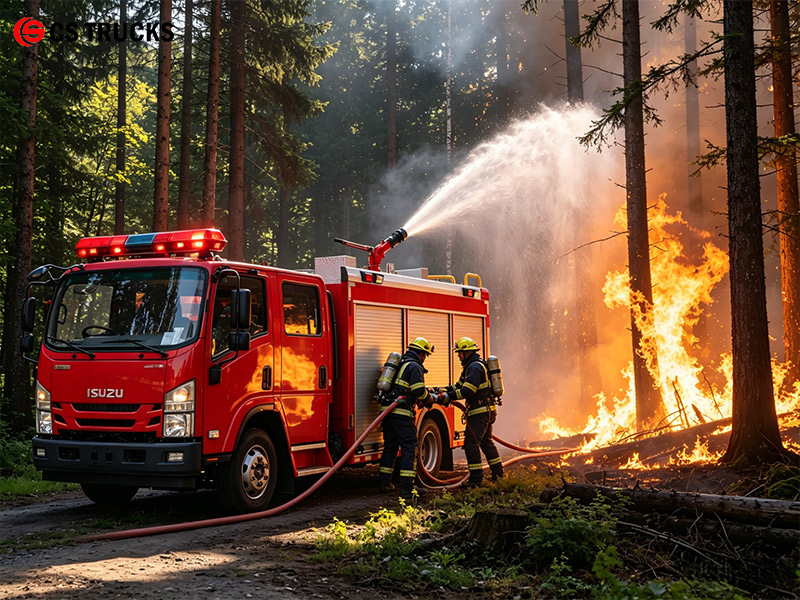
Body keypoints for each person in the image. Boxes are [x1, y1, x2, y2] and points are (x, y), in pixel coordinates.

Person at [435, 337, 503, 487]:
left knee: (471, 444)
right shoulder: (471, 367)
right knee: (486, 443)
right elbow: (457, 386)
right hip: (485, 411)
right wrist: (439, 390)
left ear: (467, 352)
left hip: (479, 412)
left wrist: (448, 397)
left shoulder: (474, 368)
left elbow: (467, 391)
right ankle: (498, 475)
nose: (458, 356)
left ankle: (476, 480)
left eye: (460, 353)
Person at [377, 337, 435, 498]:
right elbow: (418, 390)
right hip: (401, 413)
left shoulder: (400, 363)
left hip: (387, 412)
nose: (425, 358)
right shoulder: (414, 366)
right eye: (425, 355)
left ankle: (384, 483)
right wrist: (428, 399)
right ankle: (407, 488)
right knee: (410, 447)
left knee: (391, 446)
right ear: (422, 353)